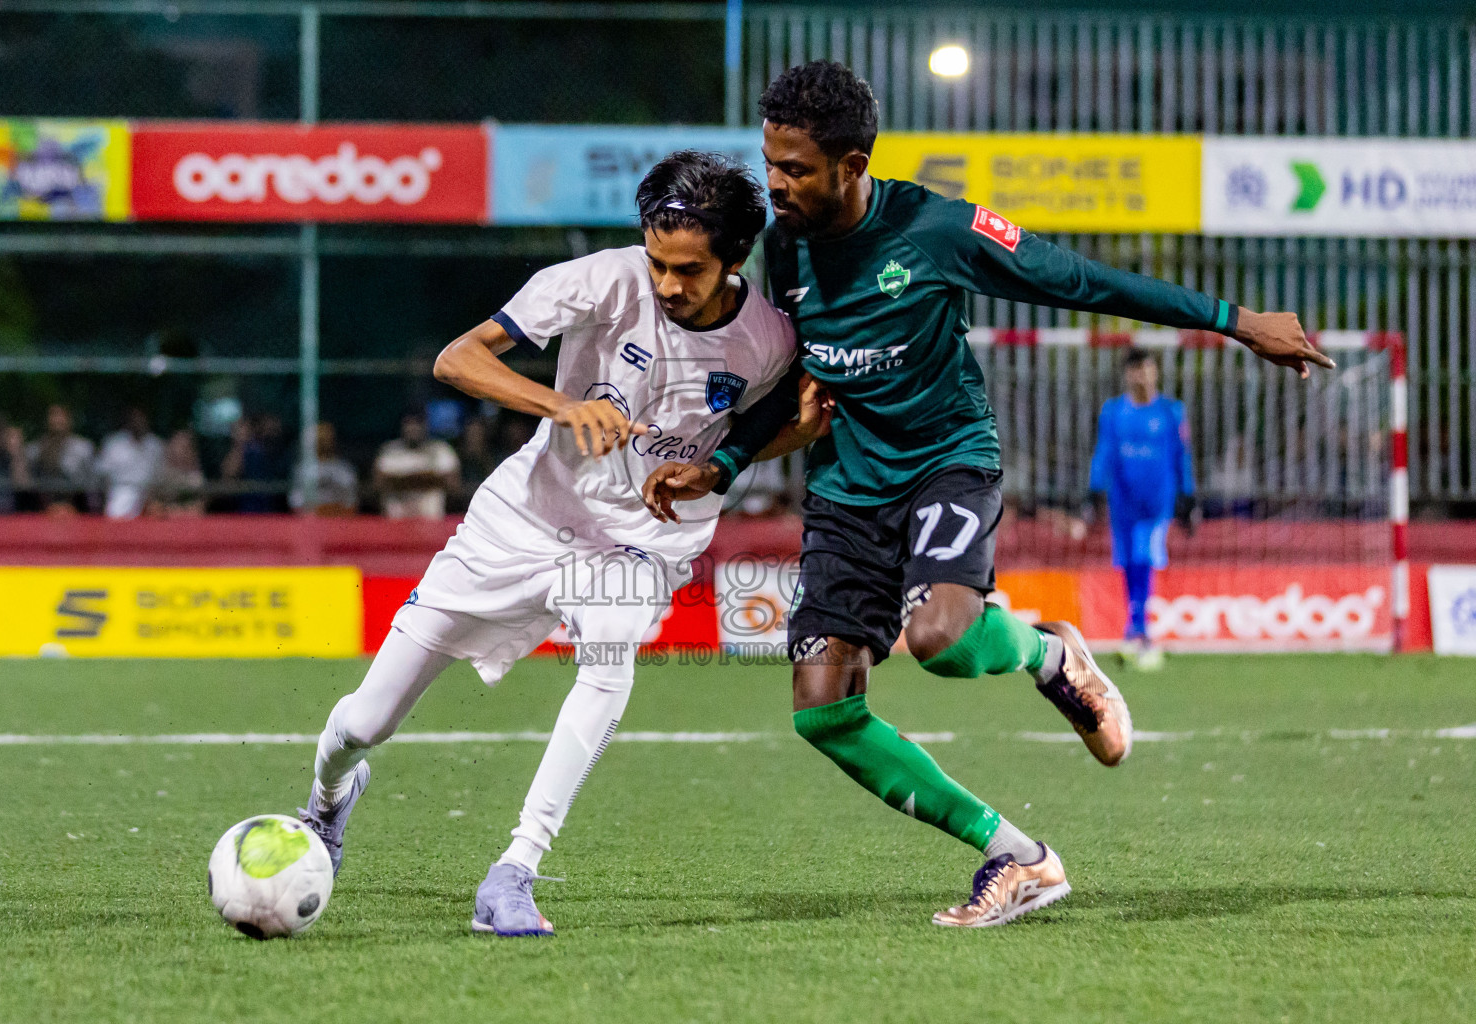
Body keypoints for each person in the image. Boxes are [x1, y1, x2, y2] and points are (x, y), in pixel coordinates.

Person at [644, 61, 1332, 929]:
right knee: (823, 711)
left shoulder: (937, 229)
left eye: (796, 168)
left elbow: (1081, 281)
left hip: (945, 460)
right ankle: (1017, 854)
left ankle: (1049, 655)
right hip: (848, 489)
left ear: (852, 164)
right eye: (771, 162)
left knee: (940, 638)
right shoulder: (784, 246)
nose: (776, 184)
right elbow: (799, 384)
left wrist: (1236, 321)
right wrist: (726, 460)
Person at [296, 151, 802, 937]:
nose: (667, 283)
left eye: (689, 270)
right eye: (658, 260)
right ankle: (327, 800)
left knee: (609, 654)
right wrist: (560, 406)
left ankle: (514, 871)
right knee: (366, 721)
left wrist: (712, 469)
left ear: (736, 259)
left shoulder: (768, 340)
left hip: (639, 538)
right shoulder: (598, 280)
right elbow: (456, 360)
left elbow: (773, 426)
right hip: (523, 518)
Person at [1089, 349, 1196, 670]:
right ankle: (1137, 631)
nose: (1143, 376)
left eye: (1148, 369)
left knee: (1143, 556)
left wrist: (1187, 496)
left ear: (1156, 373)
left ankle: (1140, 632)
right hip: (1122, 503)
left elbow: (1182, 456)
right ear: (1127, 375)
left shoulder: (1171, 411)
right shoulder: (1113, 412)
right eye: (1136, 371)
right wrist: (1094, 489)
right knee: (1127, 563)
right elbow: (1104, 452)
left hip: (1156, 503)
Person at [372, 411, 460, 518]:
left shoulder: (441, 449)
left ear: (425, 426)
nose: (413, 428)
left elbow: (453, 485)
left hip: (432, 521)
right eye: (409, 424)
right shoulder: (389, 451)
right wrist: (427, 479)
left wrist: (401, 481)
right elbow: (378, 484)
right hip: (395, 521)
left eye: (417, 423)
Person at [25, 404, 95, 514]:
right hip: (42, 509)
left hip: (76, 509)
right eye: (53, 415)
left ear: (69, 420)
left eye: (61, 416)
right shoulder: (34, 450)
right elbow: (29, 483)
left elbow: (90, 484)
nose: (56, 420)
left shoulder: (84, 448)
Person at [96, 408, 164, 519]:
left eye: (141, 418)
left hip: (150, 493)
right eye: (135, 418)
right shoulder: (114, 443)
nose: (138, 421)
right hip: (120, 491)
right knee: (116, 516)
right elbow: (102, 473)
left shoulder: (156, 445)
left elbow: (160, 474)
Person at [289, 421, 359, 515]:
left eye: (325, 439)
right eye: (319, 440)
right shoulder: (303, 469)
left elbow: (351, 502)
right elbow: (296, 502)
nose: (323, 443)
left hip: (338, 520)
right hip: (310, 520)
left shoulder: (344, 469)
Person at [147, 428, 207, 517]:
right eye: (176, 445)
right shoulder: (161, 475)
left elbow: (198, 510)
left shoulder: (196, 479)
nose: (179, 451)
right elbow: (152, 508)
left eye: (185, 447)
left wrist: (176, 512)